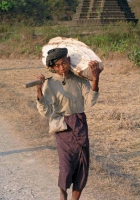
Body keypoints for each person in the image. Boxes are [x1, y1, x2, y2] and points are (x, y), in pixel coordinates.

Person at [36, 48, 103, 200]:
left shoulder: (79, 79)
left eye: (64, 63)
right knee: (66, 167)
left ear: (69, 60)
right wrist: (39, 90)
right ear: (52, 68)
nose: (62, 68)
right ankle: (63, 195)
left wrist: (95, 79)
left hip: (79, 124)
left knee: (82, 165)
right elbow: (45, 111)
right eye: (58, 66)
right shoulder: (50, 83)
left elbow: (90, 101)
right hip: (62, 128)